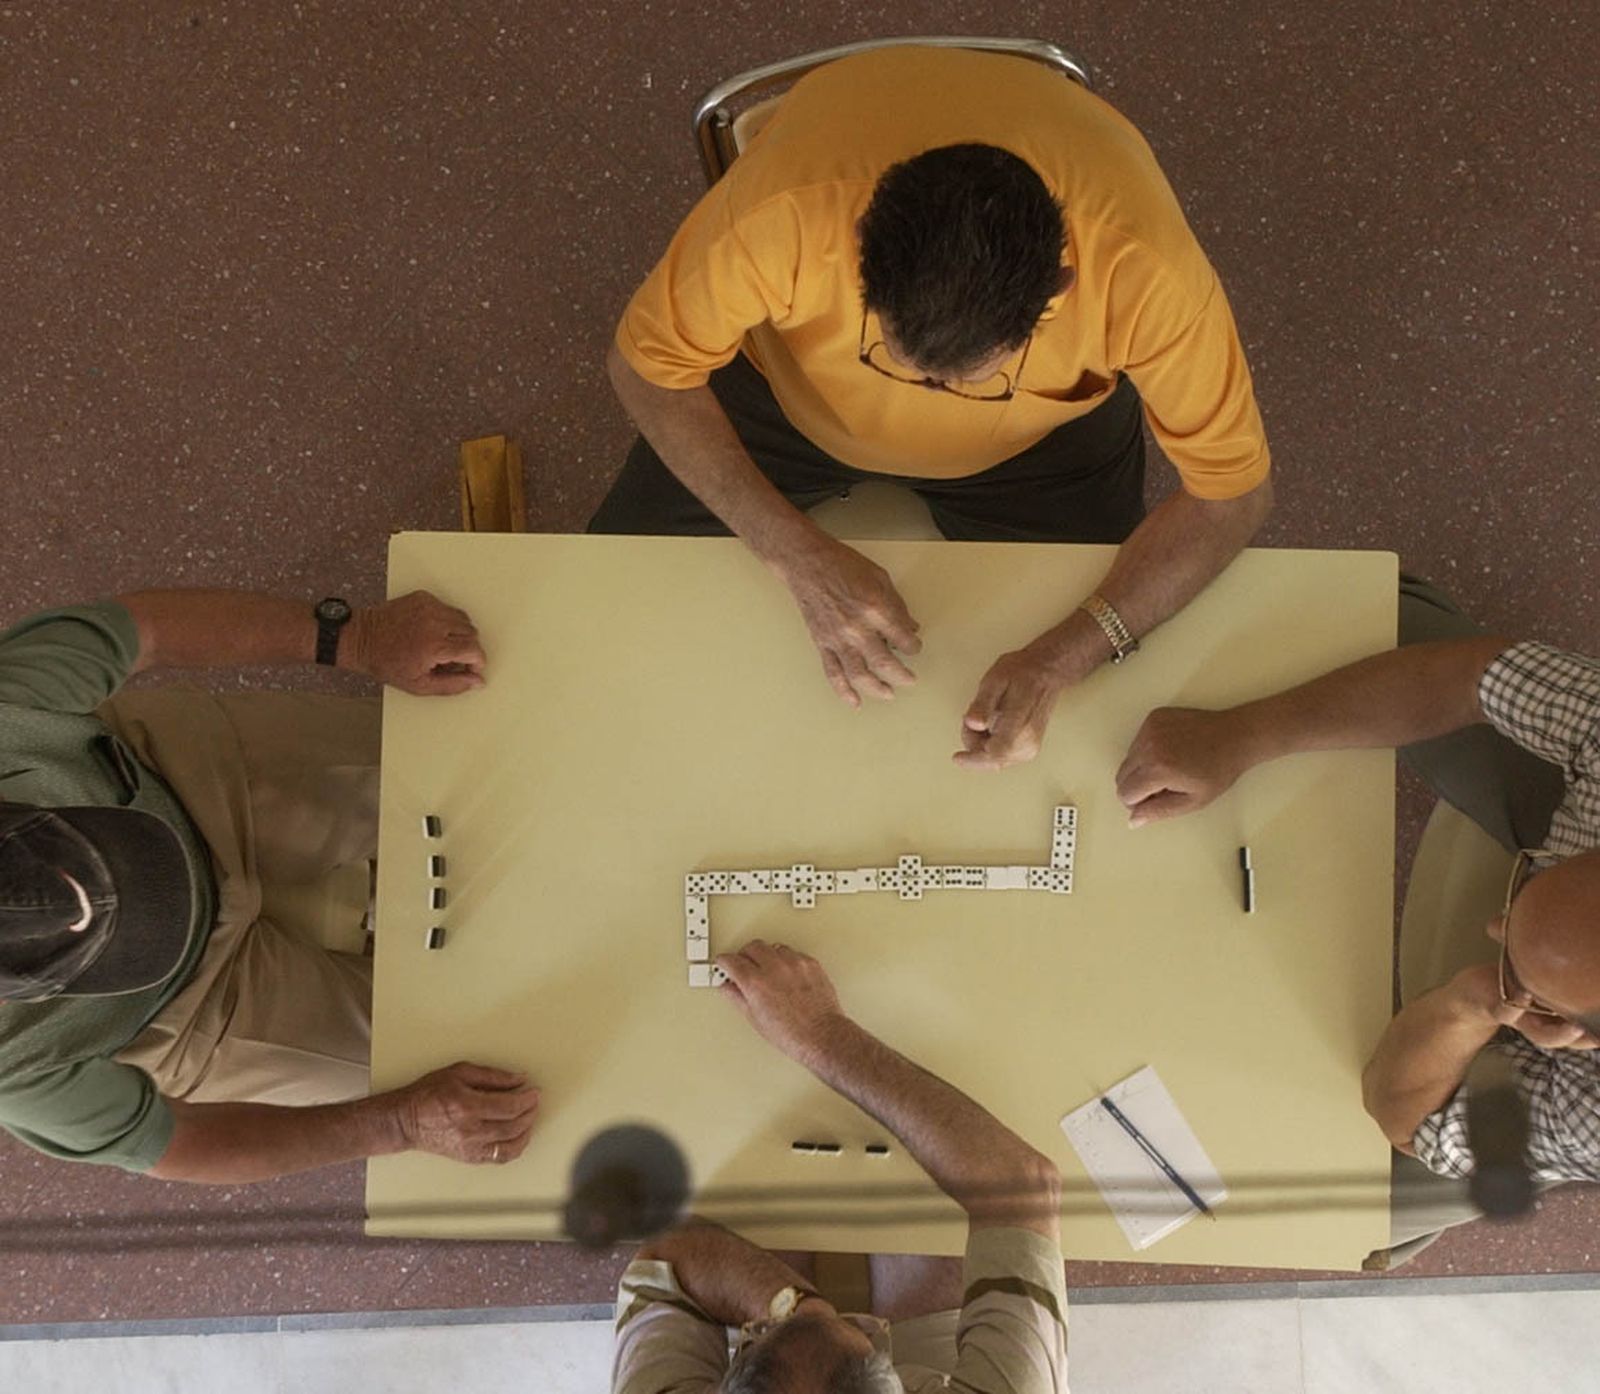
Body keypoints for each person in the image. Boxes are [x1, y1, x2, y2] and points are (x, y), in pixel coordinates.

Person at [593, 44, 1273, 771]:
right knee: (608, 603)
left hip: (1041, 454)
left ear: (1061, 288)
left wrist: (1061, 658)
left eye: (960, 381)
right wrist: (791, 551)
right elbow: (645, 369)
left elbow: (1230, 501)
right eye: (899, 361)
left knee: (1101, 693)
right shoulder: (783, 217)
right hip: (778, 407)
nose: (927, 403)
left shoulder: (1150, 276)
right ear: (859, 247)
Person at [1114, 576, 1599, 1262]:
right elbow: (1471, 677)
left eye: (1514, 954)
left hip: (1553, 1104)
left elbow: (1404, 1114)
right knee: (1359, 614)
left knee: (1356, 1198)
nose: (1494, 926)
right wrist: (1242, 734)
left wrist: (1478, 999)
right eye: (1532, 887)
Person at [0, 588, 542, 1183]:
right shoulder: (13, 1071)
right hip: (189, 1005)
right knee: (504, 1071)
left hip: (170, 783)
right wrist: (402, 1123)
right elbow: (177, 1142)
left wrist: (361, 638)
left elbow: (143, 631)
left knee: (503, 773)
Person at [612, 939, 1066, 1393]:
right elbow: (1020, 1189)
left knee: (751, 1194)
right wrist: (822, 1034)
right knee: (927, 1216)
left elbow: (669, 1259)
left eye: (768, 1333)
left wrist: (796, 1306)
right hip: (936, 1361)